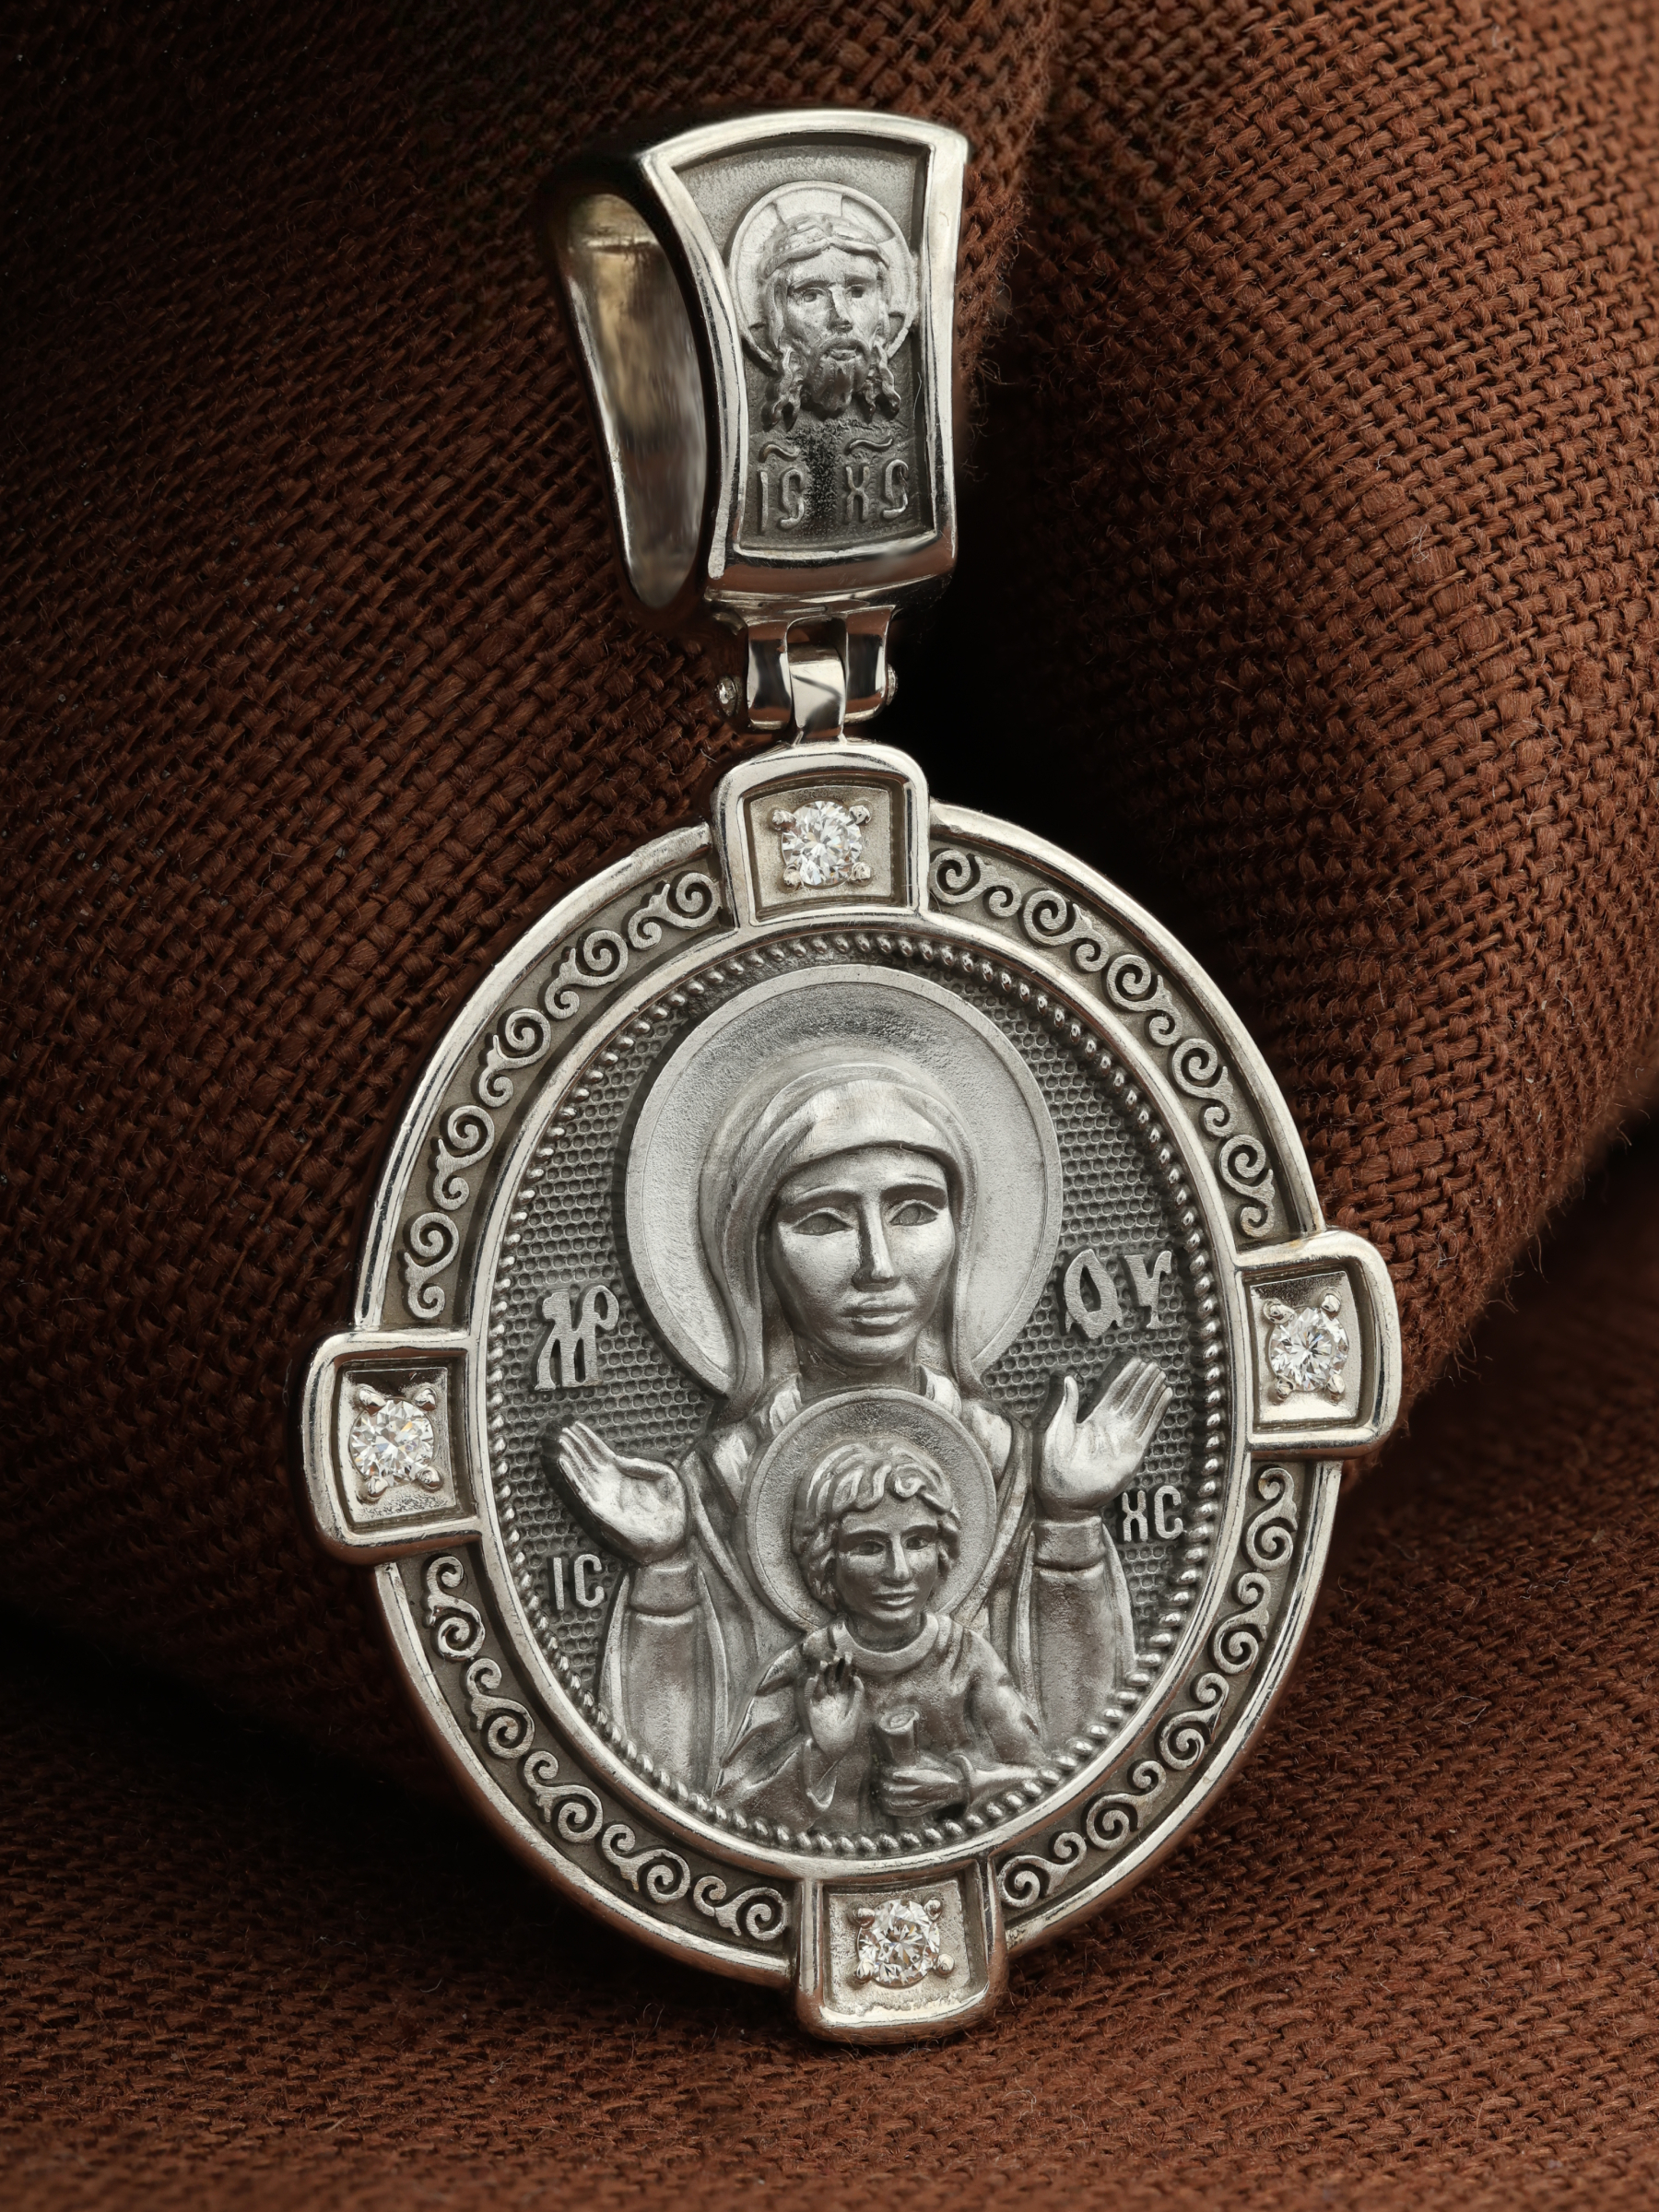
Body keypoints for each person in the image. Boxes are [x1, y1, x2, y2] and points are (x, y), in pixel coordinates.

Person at [550, 1047, 1171, 1796]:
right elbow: (671, 1786)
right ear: (756, 1252)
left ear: (961, 1230)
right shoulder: (714, 1486)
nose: (878, 1264)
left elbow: (1085, 1760)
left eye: (914, 1211)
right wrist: (663, 1569)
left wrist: (1071, 1520)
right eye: (824, 1220)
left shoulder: (1009, 1461)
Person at [718, 1436, 1044, 1834]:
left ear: (942, 1549)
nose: (900, 1571)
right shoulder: (805, 1668)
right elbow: (730, 1815)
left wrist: (962, 1785)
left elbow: (1044, 1781)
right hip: (830, 1864)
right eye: (869, 1547)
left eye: (918, 1542)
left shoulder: (966, 1658)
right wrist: (821, 1754)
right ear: (826, 1560)